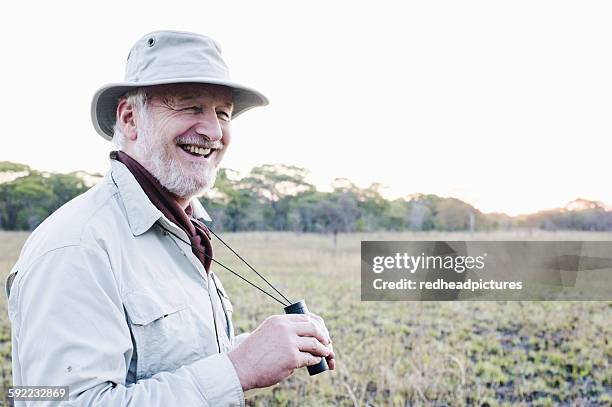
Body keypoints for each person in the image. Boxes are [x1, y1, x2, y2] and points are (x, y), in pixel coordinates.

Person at [5, 30, 334, 406]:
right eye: (191, 107)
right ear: (130, 118)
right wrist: (237, 370)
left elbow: (168, 364)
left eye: (222, 114)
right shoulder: (76, 245)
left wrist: (257, 349)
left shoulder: (181, 228)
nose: (213, 130)